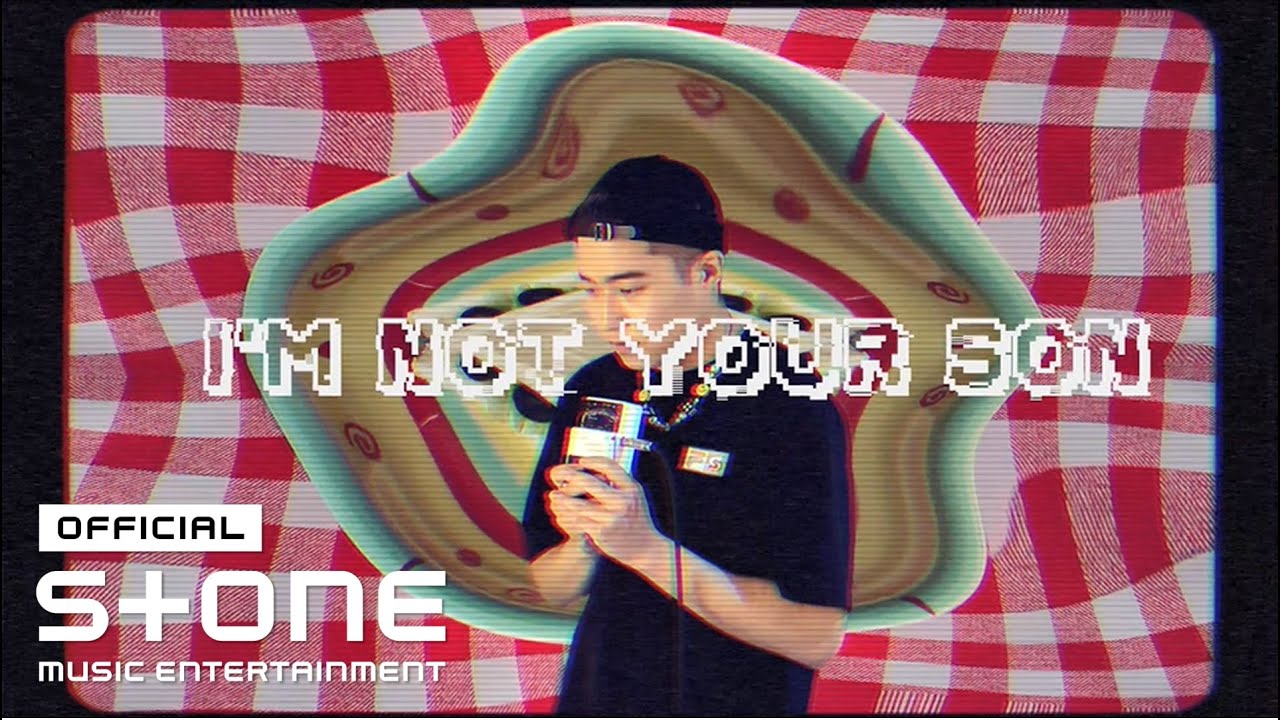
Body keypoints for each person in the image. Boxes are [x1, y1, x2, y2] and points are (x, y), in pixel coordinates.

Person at [522, 155, 852, 716]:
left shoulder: (787, 400)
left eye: (630, 290)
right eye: (592, 290)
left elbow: (814, 636)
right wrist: (589, 539)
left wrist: (646, 549)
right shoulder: (596, 385)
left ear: (705, 272)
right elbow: (551, 583)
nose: (606, 319)